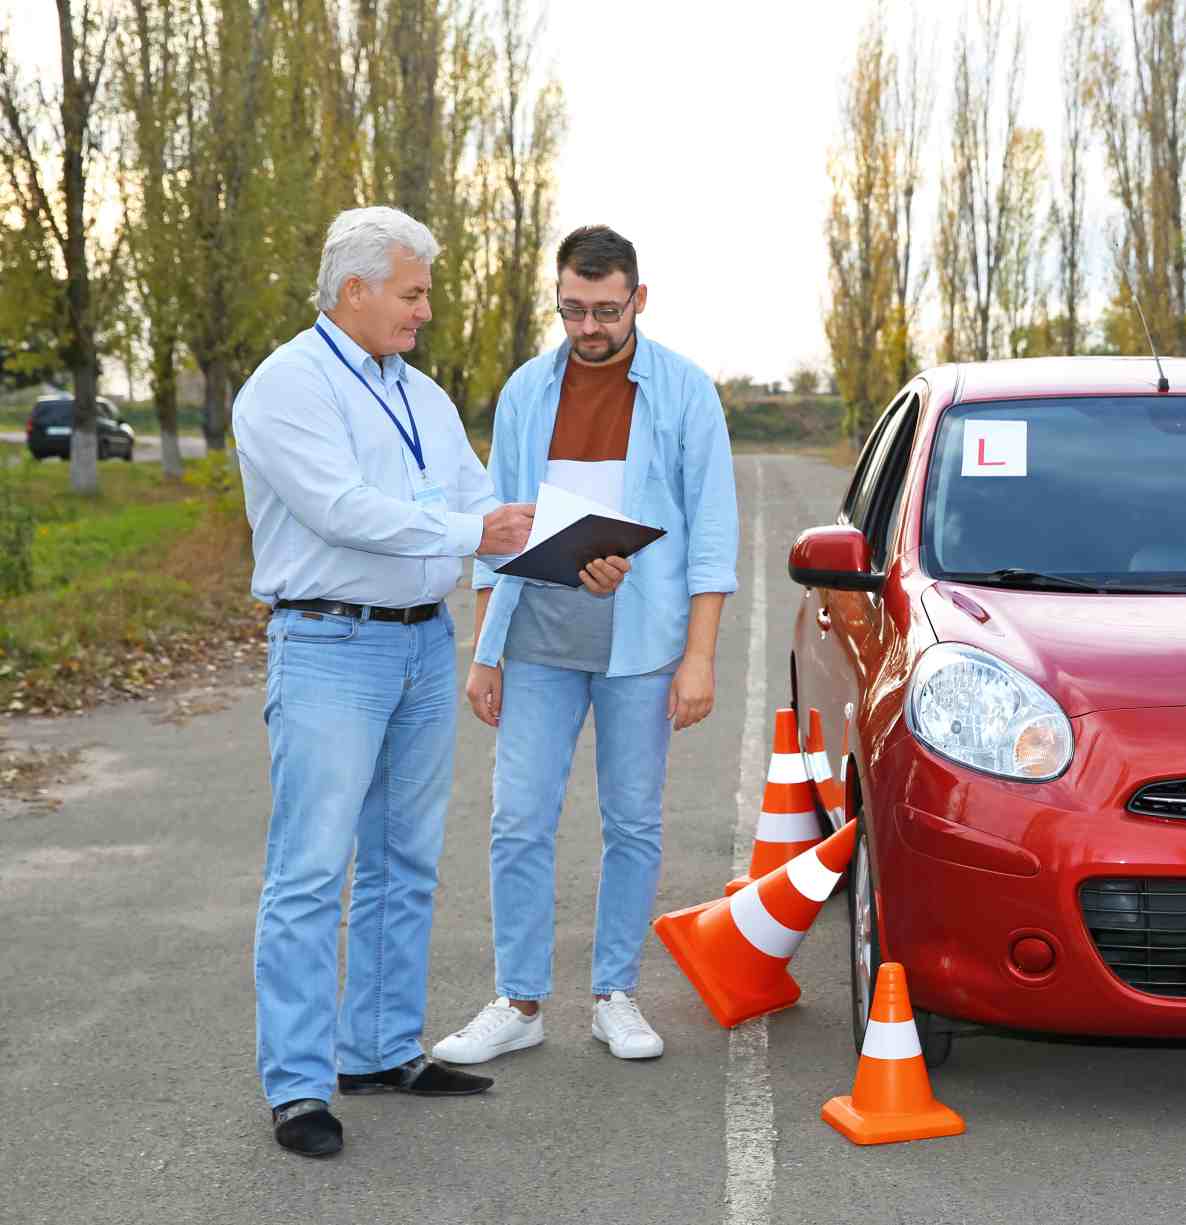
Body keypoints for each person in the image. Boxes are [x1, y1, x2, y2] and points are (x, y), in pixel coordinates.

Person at [232, 206, 536, 1158]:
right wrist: (468, 535)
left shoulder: (421, 393)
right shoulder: (287, 387)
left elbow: (472, 494)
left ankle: (380, 1048)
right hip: (329, 646)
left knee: (406, 860)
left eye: (428, 293)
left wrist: (552, 540)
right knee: (312, 871)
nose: (427, 311)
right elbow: (340, 508)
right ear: (353, 290)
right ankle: (298, 1084)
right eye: (413, 294)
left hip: (418, 644)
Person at [433, 225, 739, 1065]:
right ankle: (520, 1000)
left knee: (632, 820)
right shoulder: (528, 391)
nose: (589, 327)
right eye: (573, 309)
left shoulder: (685, 393)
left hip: (642, 643)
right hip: (536, 634)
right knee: (518, 817)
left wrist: (701, 657)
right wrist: (485, 649)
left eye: (606, 310)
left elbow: (711, 533)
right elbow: (501, 525)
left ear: (639, 298)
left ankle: (615, 994)